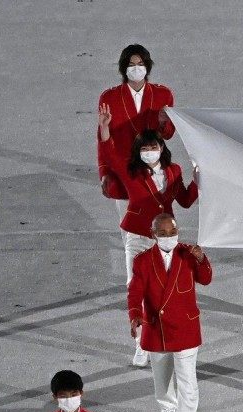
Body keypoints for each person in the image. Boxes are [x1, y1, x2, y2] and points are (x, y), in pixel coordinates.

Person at [98, 96, 198, 367]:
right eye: (145, 148)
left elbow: (186, 201)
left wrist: (198, 180)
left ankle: (159, 338)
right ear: (139, 152)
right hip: (138, 238)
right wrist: (105, 128)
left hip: (165, 239)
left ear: (161, 148)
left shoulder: (174, 171)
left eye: (153, 146)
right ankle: (141, 343)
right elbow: (110, 151)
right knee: (137, 288)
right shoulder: (131, 172)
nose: (149, 151)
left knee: (161, 293)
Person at [127, 214, 212, 412]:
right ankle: (167, 407)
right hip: (157, 326)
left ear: (178, 232)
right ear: (153, 234)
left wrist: (202, 259)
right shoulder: (143, 261)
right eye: (163, 234)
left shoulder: (188, 254)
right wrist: (135, 314)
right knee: (162, 375)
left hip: (185, 326)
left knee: (187, 376)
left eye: (172, 233)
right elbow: (135, 292)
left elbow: (205, 279)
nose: (168, 237)